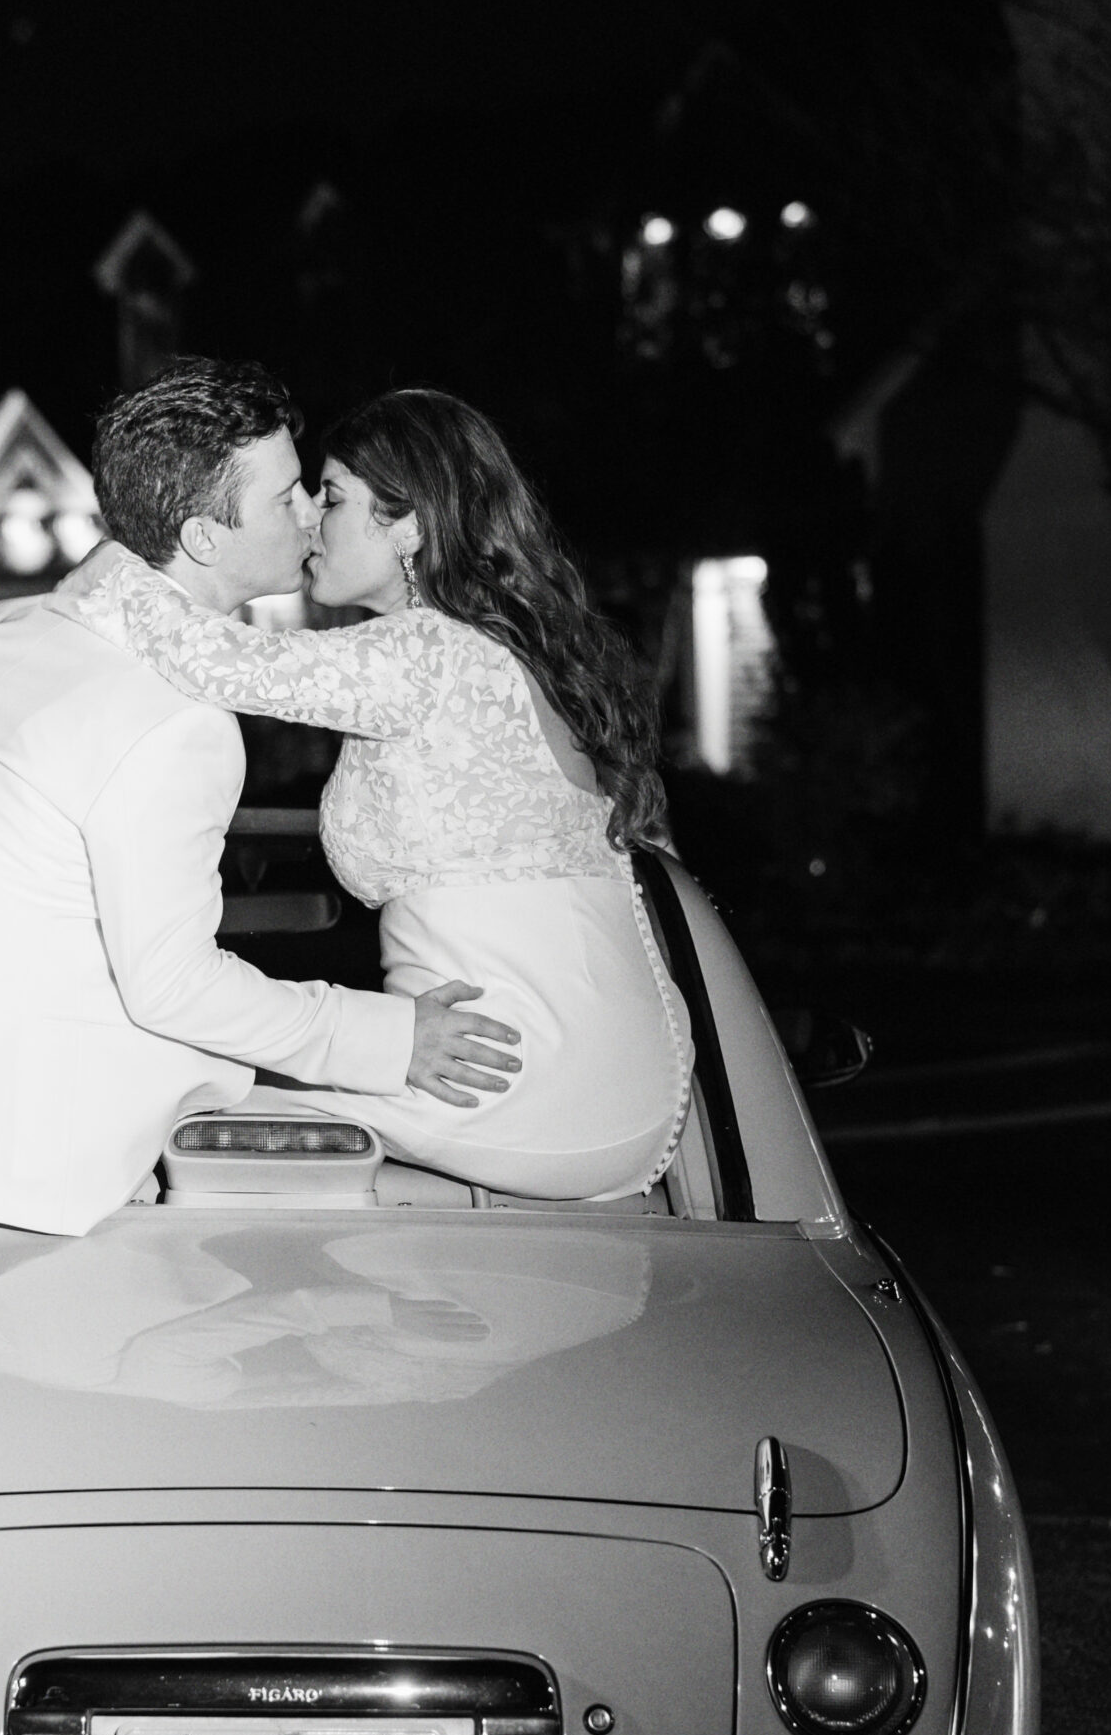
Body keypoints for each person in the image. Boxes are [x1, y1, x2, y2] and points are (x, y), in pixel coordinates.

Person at [0, 359, 519, 1236]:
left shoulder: (8, 626)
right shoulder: (180, 722)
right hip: (11, 1166)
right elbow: (173, 988)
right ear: (205, 537)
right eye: (288, 497)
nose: (313, 513)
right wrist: (390, 1038)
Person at [70, 387, 691, 1200]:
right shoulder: (499, 651)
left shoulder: (428, 652)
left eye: (331, 498)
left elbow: (209, 656)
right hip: (617, 1073)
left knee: (152, 1098)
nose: (307, 521)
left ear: (410, 525)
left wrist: (116, 553)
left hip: (517, 1077)